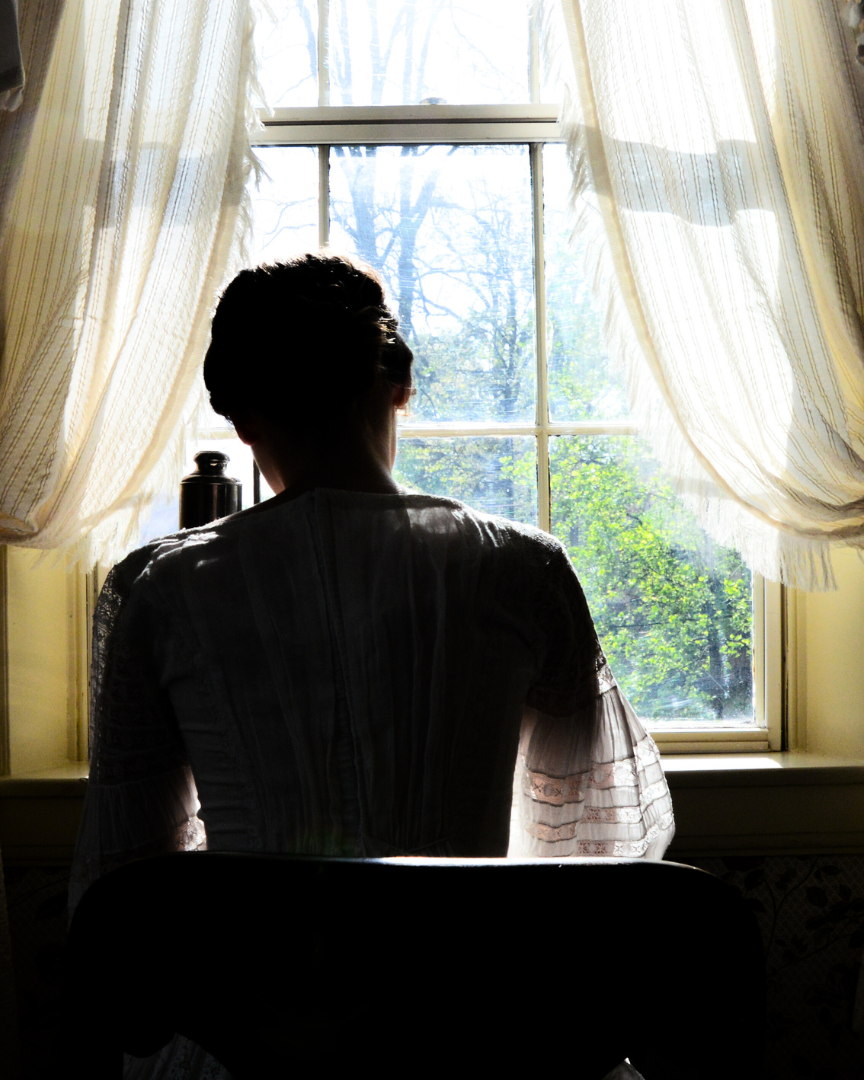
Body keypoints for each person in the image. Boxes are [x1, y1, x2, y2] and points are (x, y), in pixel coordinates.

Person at [70, 252, 675, 1078]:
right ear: (400, 384)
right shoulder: (520, 569)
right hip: (476, 1040)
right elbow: (599, 849)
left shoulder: (161, 589)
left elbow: (126, 893)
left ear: (242, 420)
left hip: (252, 1048)